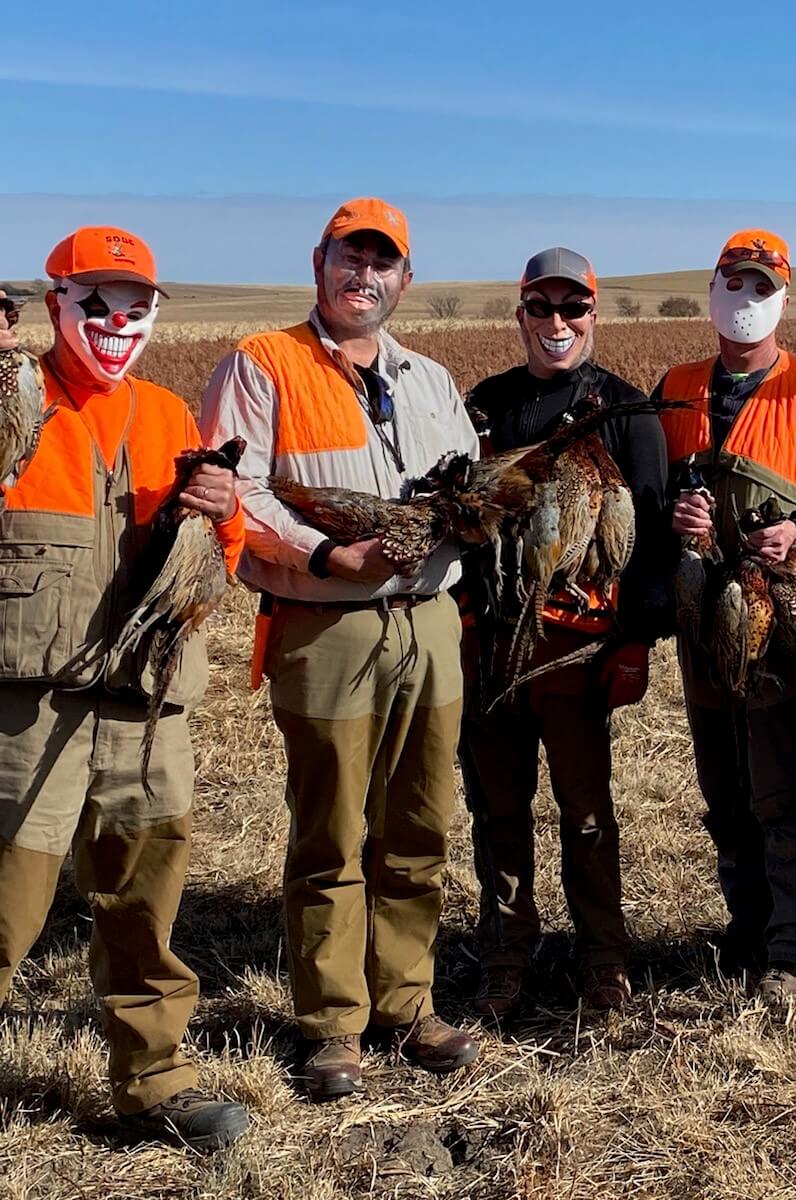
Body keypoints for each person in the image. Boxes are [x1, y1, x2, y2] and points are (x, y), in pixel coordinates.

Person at [200, 199, 481, 1099]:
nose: (365, 276)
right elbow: (232, 490)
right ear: (318, 265)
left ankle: (408, 1000)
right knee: (331, 829)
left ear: (406, 279)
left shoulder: (432, 379)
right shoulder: (262, 364)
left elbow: (470, 482)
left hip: (430, 622)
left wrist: (476, 515)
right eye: (348, 259)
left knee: (422, 820)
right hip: (328, 624)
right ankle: (332, 1024)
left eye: (383, 263)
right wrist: (327, 554)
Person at [0, 227, 249, 1151]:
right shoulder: (13, 399)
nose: (116, 321)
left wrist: (225, 520)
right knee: (7, 903)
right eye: (95, 301)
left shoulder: (168, 416)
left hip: (145, 706)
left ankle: (155, 1081)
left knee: (145, 906)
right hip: (31, 701)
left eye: (136, 305)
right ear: (54, 301)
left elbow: (212, 567)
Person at [458, 247, 668, 1017]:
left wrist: (638, 637)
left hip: (577, 651)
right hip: (489, 647)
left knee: (585, 814)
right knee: (498, 811)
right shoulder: (485, 407)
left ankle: (603, 959)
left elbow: (652, 542)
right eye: (541, 307)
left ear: (594, 314)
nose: (557, 322)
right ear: (519, 314)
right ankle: (507, 955)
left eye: (573, 308)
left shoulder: (626, 411)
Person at [655, 229, 796, 1007]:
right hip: (699, 614)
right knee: (722, 780)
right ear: (712, 291)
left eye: (760, 286)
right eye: (732, 283)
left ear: (784, 299)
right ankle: (748, 926)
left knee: (780, 779)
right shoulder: (675, 385)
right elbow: (645, 500)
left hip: (778, 618)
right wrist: (678, 517)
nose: (744, 300)